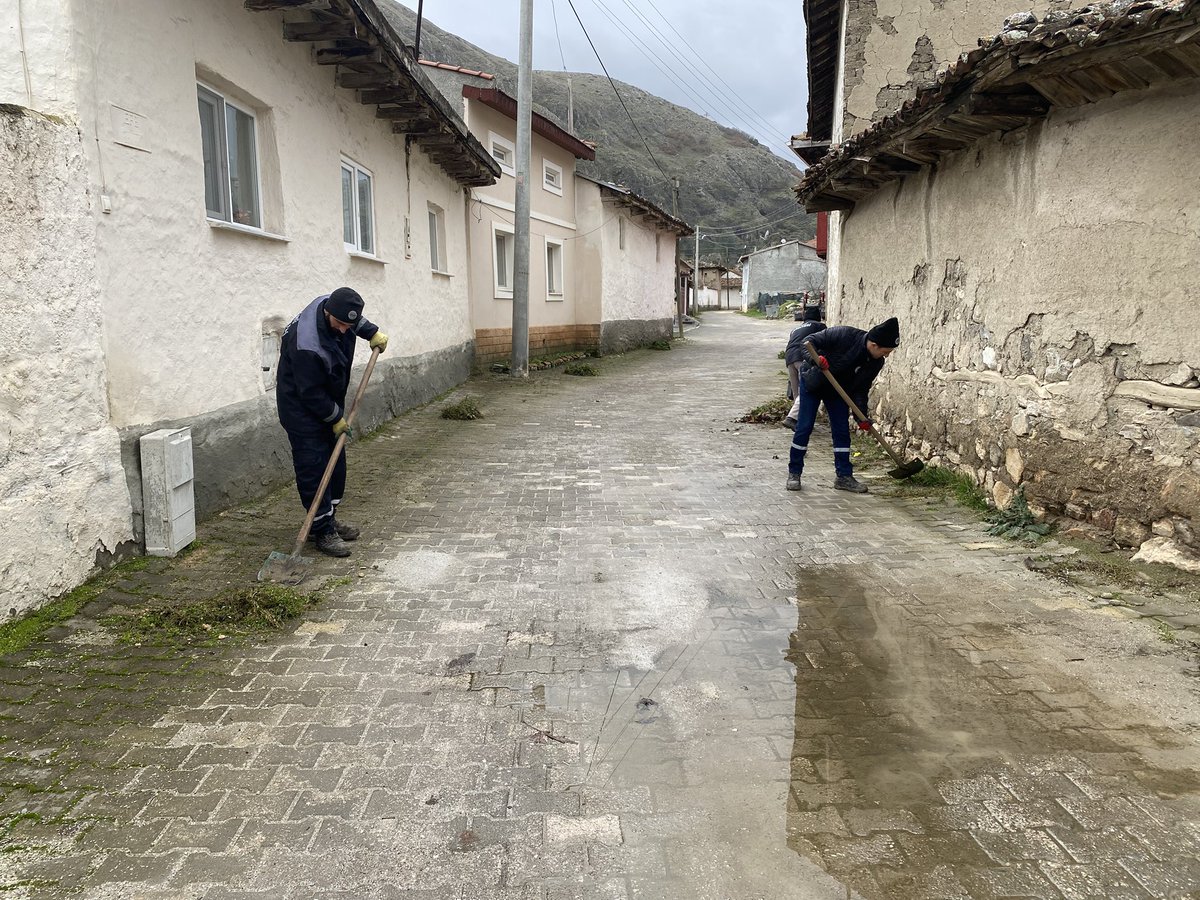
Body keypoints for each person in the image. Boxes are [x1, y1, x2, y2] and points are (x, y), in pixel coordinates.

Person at [276, 287, 388, 557]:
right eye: (339, 324)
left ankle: (329, 518)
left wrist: (370, 332)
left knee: (335, 464)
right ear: (327, 313)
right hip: (301, 407)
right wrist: (335, 418)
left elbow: (354, 321)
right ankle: (322, 531)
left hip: (326, 399)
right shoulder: (307, 345)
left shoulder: (338, 309)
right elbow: (310, 392)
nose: (343, 330)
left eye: (347, 325)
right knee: (313, 466)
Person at [786, 316, 899, 494]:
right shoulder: (844, 334)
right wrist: (816, 359)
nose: (886, 356)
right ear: (874, 345)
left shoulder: (876, 362)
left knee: (841, 431)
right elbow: (807, 342)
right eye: (886, 351)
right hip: (813, 382)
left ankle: (844, 477)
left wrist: (860, 415)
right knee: (804, 428)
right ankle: (794, 473)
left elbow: (861, 388)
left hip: (837, 391)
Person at [782, 305, 827, 429]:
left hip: (789, 358)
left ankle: (800, 422)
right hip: (803, 357)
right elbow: (824, 342)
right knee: (806, 391)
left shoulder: (796, 329)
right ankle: (791, 418)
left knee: (797, 394)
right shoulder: (819, 326)